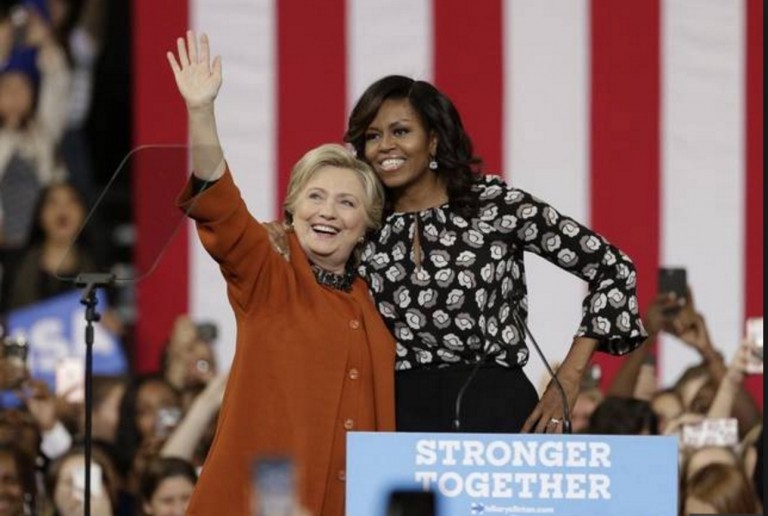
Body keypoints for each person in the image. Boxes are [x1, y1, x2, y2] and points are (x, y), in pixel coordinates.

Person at [332, 74, 645, 433]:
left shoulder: (494, 205)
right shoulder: (363, 220)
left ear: (433, 140)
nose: (385, 146)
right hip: (395, 412)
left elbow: (613, 268)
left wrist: (569, 378)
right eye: (373, 136)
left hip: (496, 408)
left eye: (400, 131)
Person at [167, 31, 395, 516]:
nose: (328, 211)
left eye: (347, 202)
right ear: (292, 209)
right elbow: (221, 206)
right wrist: (201, 112)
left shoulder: (377, 300)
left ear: (366, 224)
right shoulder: (268, 276)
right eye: (315, 197)